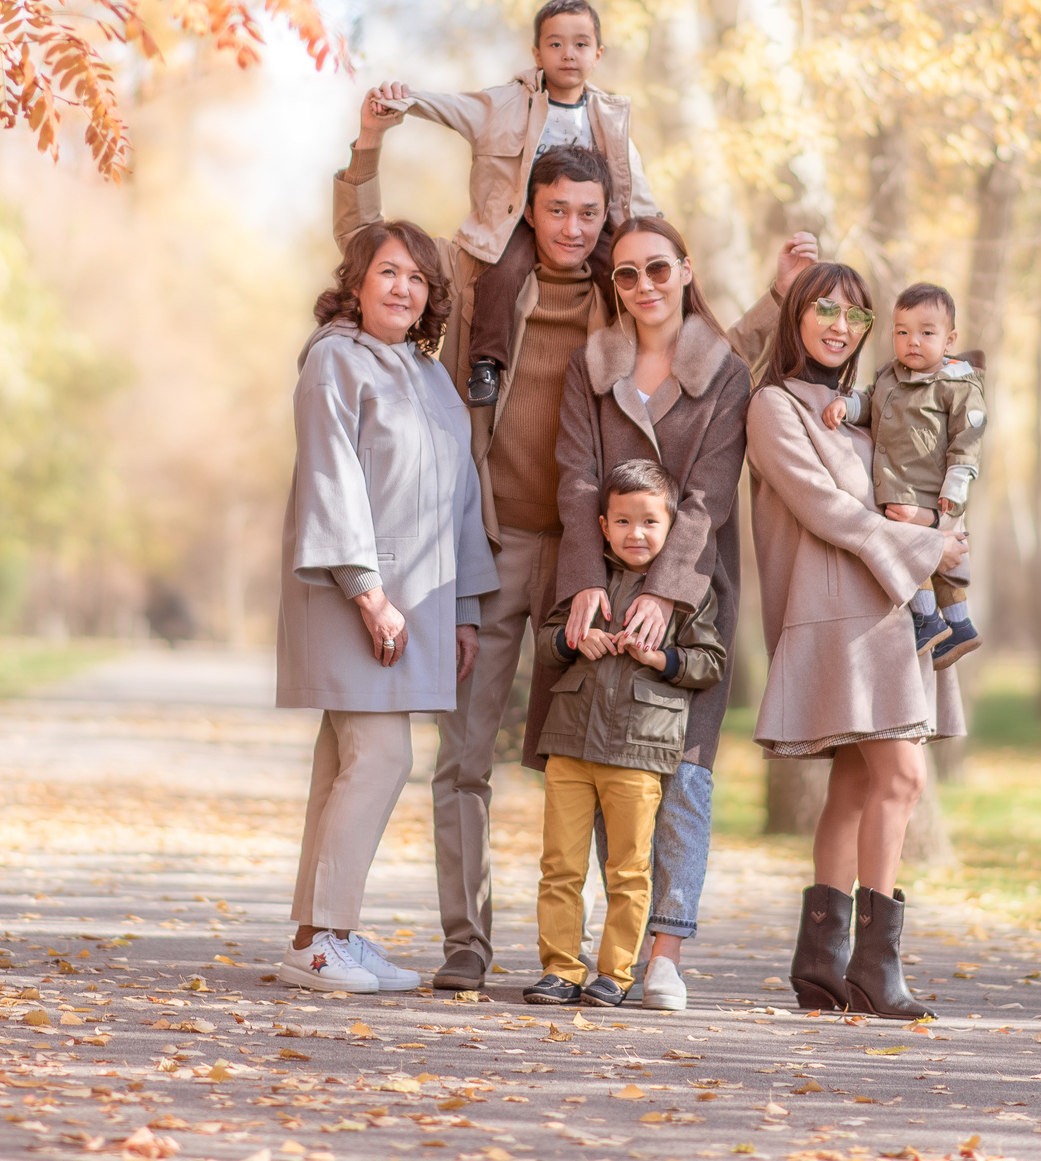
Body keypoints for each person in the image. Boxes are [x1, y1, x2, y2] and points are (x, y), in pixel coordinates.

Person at [333, 100, 613, 992]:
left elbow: (710, 350)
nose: (572, 227)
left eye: (588, 212)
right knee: (463, 760)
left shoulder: (625, 287)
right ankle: (468, 943)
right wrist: (367, 148)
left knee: (595, 760)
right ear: (530, 207)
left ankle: (593, 954)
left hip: (587, 558)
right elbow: (368, 246)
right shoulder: (479, 273)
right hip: (490, 547)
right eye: (556, 209)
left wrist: (782, 296)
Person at [539, 215, 756, 1011]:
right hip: (597, 582)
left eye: (658, 268)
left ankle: (665, 954)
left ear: (686, 269)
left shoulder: (725, 372)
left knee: (684, 775)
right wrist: (583, 578)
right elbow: (576, 474)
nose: (643, 286)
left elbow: (709, 493)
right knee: (603, 764)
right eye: (626, 273)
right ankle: (604, 958)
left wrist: (666, 590)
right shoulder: (592, 365)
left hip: (693, 587)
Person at [276, 218, 499, 995]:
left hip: (416, 603)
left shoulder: (431, 376)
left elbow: (463, 494)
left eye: (418, 277)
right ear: (357, 282)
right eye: (388, 272)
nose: (404, 288)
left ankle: (321, 935)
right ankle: (323, 940)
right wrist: (369, 594)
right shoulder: (334, 361)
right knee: (381, 756)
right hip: (353, 598)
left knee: (342, 762)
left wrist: (464, 607)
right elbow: (331, 481)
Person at [747, 262, 968, 1020]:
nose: (841, 326)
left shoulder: (869, 408)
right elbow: (826, 510)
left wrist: (937, 529)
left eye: (855, 315)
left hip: (888, 608)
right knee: (901, 778)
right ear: (797, 317)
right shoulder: (774, 405)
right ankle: (876, 967)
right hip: (838, 616)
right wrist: (921, 548)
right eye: (825, 310)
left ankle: (822, 964)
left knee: (853, 785)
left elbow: (905, 487)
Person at [365, 0, 656, 407]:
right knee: (502, 271)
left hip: (585, 222)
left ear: (598, 54)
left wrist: (655, 231)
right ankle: (486, 362)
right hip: (518, 220)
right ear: (537, 54)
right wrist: (404, 100)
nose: (568, 54)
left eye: (580, 44)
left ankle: (641, 359)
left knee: (625, 270)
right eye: (555, 44)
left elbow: (632, 179)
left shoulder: (609, 116)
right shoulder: (504, 104)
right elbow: (453, 106)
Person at [525, 461, 726, 1008]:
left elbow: (710, 662)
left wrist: (660, 657)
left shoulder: (688, 592)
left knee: (629, 869)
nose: (636, 533)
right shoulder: (583, 583)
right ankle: (560, 969)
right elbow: (545, 643)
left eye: (649, 522)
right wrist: (574, 641)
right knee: (560, 866)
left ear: (671, 527)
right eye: (622, 521)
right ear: (603, 525)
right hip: (570, 745)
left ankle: (615, 973)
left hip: (641, 752)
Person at [819, 282, 988, 666]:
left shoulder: (956, 384)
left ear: (949, 340)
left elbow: (968, 438)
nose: (913, 341)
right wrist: (848, 406)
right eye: (902, 332)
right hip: (898, 487)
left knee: (919, 554)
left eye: (926, 333)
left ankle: (933, 619)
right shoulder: (889, 376)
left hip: (935, 493)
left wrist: (954, 489)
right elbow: (870, 402)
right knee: (918, 555)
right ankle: (957, 627)